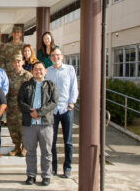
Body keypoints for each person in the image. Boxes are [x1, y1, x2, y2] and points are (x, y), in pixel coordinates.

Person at [18, 62, 58, 186]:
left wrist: (39, 113)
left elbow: (54, 101)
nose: (38, 72)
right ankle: (31, 175)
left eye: (40, 69)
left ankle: (46, 175)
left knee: (46, 151)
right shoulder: (25, 85)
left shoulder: (51, 85)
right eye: (35, 69)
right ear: (32, 71)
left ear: (45, 71)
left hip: (45, 123)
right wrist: (31, 112)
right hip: (29, 124)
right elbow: (20, 101)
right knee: (30, 151)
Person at [46, 47, 78, 179]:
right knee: (51, 141)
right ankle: (53, 168)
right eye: (53, 55)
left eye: (58, 55)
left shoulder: (70, 69)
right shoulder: (48, 72)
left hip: (66, 109)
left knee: (68, 141)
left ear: (62, 56)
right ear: (50, 58)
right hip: (53, 110)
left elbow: (74, 87)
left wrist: (71, 103)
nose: (56, 57)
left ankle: (67, 168)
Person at [6, 53, 32, 156]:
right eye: (15, 62)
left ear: (23, 62)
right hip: (11, 106)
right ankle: (16, 147)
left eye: (19, 61)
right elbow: (5, 90)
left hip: (23, 107)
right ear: (13, 63)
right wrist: (5, 103)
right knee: (13, 128)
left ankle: (25, 147)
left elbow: (32, 91)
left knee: (24, 128)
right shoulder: (8, 75)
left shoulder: (28, 75)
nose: (17, 63)